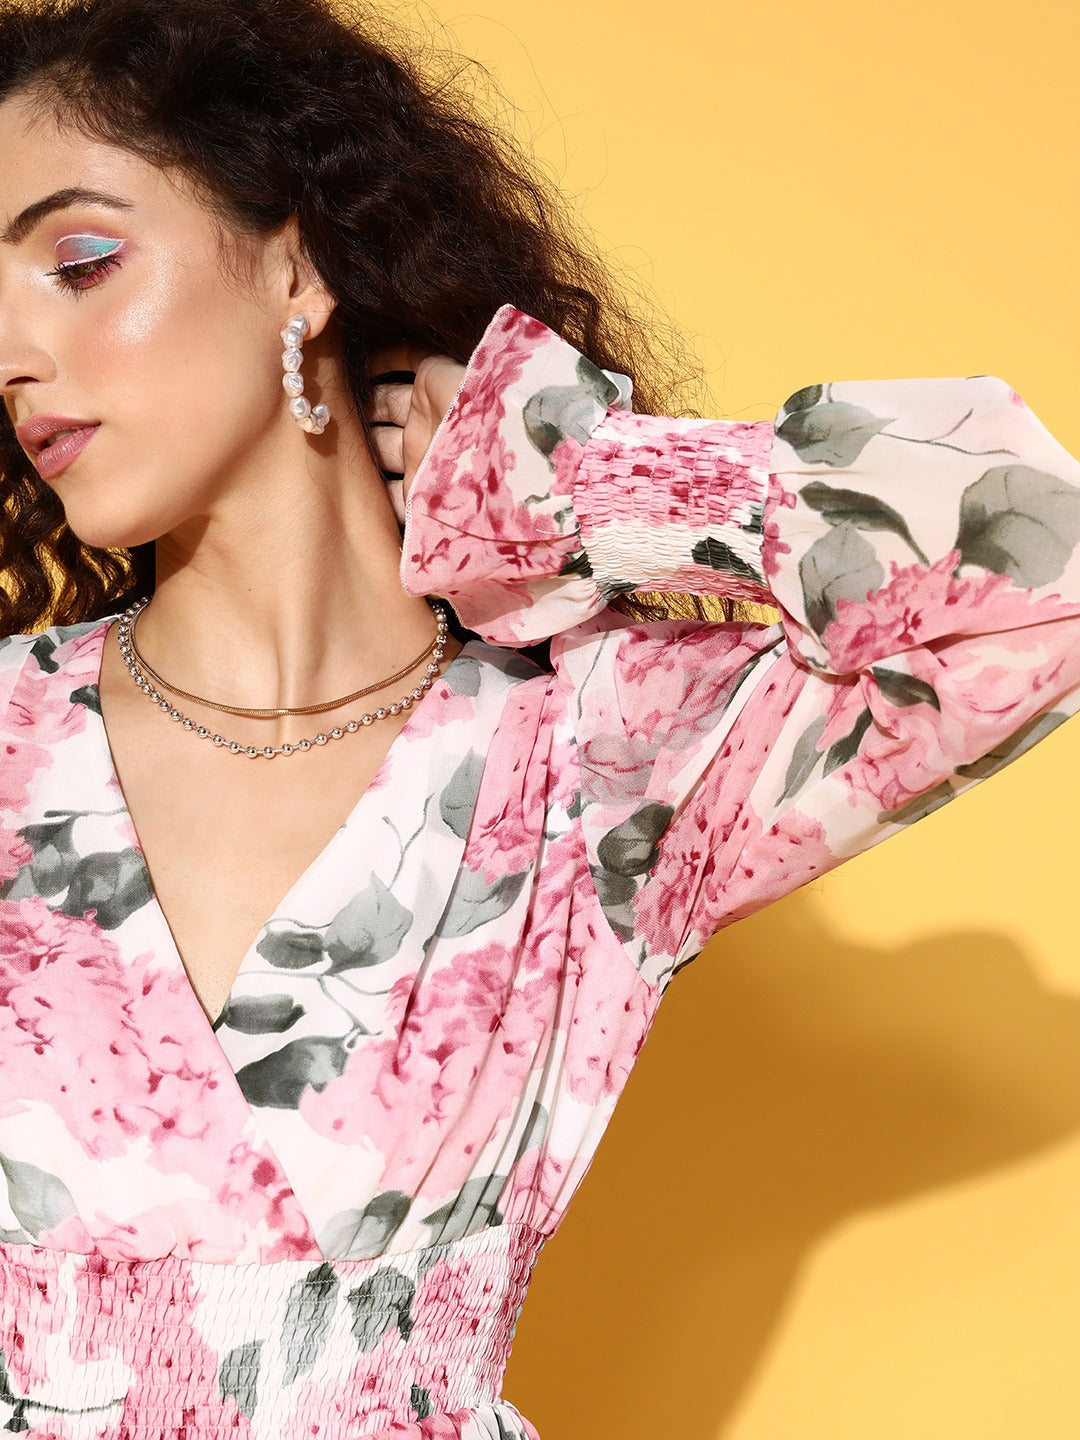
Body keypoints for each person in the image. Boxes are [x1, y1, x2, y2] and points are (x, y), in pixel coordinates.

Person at [1, 0, 1079, 1436]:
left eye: (78, 263)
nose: (13, 351)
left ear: (298, 267)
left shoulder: (597, 752)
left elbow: (1041, 568)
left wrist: (577, 480)